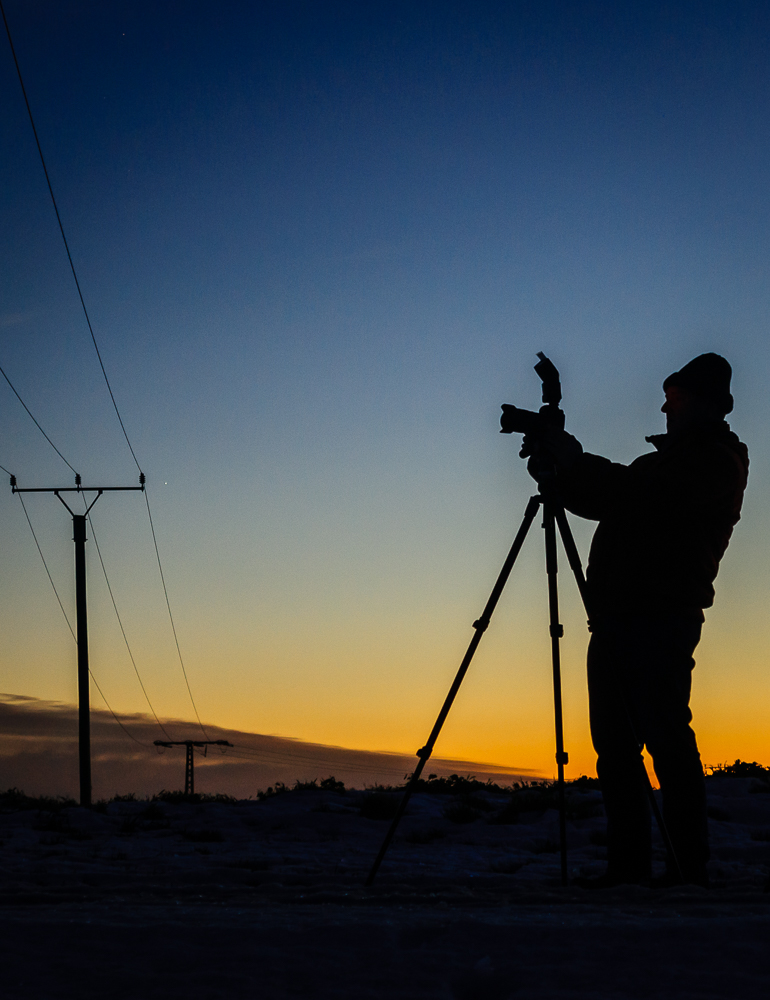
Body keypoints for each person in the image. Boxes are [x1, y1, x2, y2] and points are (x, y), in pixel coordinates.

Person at [530, 353, 749, 888]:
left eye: (674, 398)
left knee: (666, 740)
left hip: (662, 616)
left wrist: (575, 459)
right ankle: (627, 866)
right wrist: (558, 467)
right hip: (614, 617)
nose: (664, 407)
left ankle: (685, 866)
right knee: (615, 746)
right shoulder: (658, 463)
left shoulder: (719, 460)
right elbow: (612, 497)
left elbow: (645, 499)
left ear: (702, 403)